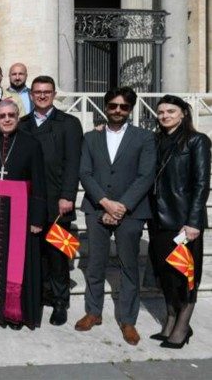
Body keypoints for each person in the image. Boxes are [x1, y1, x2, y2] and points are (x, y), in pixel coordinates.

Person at [76, 87, 155, 346]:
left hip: (130, 211)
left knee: (128, 266)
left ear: (130, 109)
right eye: (112, 106)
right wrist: (106, 203)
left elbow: (146, 176)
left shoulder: (144, 137)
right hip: (97, 206)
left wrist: (122, 206)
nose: (117, 111)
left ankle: (128, 319)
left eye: (123, 106)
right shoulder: (90, 138)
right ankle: (93, 312)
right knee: (95, 264)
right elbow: (85, 173)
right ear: (105, 107)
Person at [0, 99, 47, 329]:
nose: (6, 119)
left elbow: (39, 183)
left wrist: (37, 218)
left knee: (18, 262)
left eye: (11, 115)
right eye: (1, 115)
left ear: (18, 116)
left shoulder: (31, 144)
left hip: (20, 210)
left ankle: (15, 313)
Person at [19, 75, 83, 326]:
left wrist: (68, 195)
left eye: (47, 91)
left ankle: (60, 302)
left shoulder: (69, 123)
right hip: (30, 202)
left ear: (54, 94)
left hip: (59, 202)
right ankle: (38, 295)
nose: (42, 96)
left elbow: (73, 164)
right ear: (31, 95)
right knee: (34, 253)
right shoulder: (23, 124)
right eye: (37, 92)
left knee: (59, 255)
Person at [148, 95, 210, 348]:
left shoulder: (197, 141)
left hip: (183, 221)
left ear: (183, 113)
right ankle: (170, 320)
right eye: (161, 112)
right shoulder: (156, 140)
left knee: (184, 276)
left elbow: (201, 183)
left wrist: (194, 221)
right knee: (166, 274)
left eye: (171, 111)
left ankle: (182, 327)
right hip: (157, 219)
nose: (165, 116)